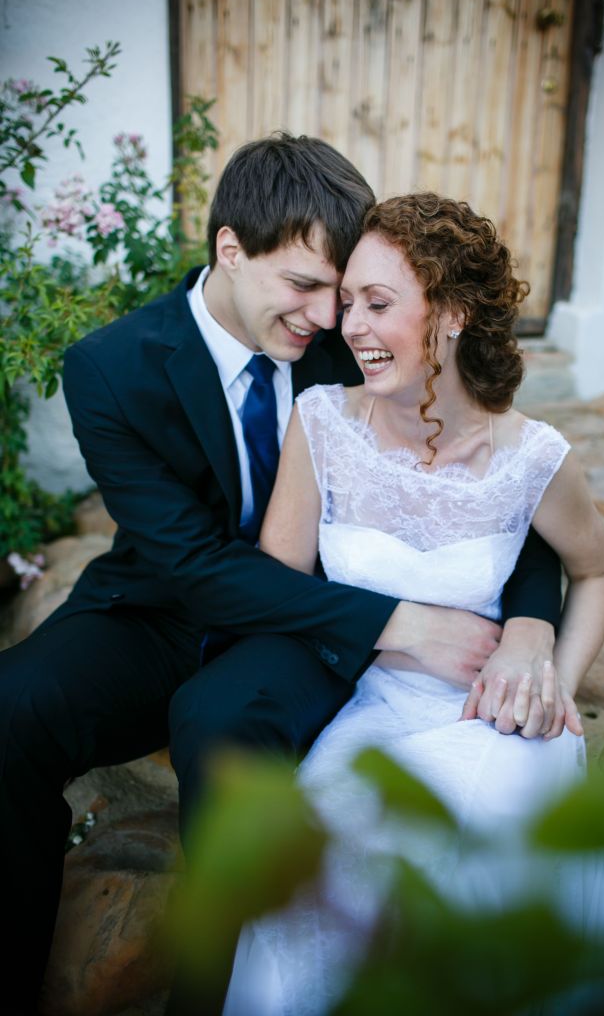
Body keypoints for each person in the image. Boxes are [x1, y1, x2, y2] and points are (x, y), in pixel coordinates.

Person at [0, 136, 561, 1016]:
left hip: (312, 625)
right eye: (301, 287)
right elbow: (192, 565)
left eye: (337, 295)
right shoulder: (109, 369)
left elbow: (494, 491)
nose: (322, 320)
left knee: (222, 721)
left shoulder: (361, 339)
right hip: (163, 609)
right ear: (230, 250)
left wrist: (531, 622)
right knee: (7, 713)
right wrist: (400, 621)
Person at [224, 192, 604, 1016]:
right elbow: (275, 585)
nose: (350, 327)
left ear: (450, 314)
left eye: (378, 304)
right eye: (348, 304)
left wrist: (549, 669)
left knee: (480, 859)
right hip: (375, 709)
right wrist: (383, 640)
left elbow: (596, 571)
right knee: (312, 889)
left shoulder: (530, 457)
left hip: (492, 719)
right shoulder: (323, 423)